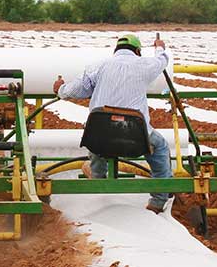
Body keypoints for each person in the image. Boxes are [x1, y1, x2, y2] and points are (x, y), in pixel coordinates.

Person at [53, 33, 173, 214]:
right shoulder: (145, 64)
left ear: (115, 50)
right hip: (136, 136)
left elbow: (74, 90)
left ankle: (98, 177)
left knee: (97, 136)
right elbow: (162, 60)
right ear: (138, 51)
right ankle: (159, 198)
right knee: (160, 147)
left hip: (100, 136)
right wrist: (159, 46)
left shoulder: (99, 67)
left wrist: (60, 88)